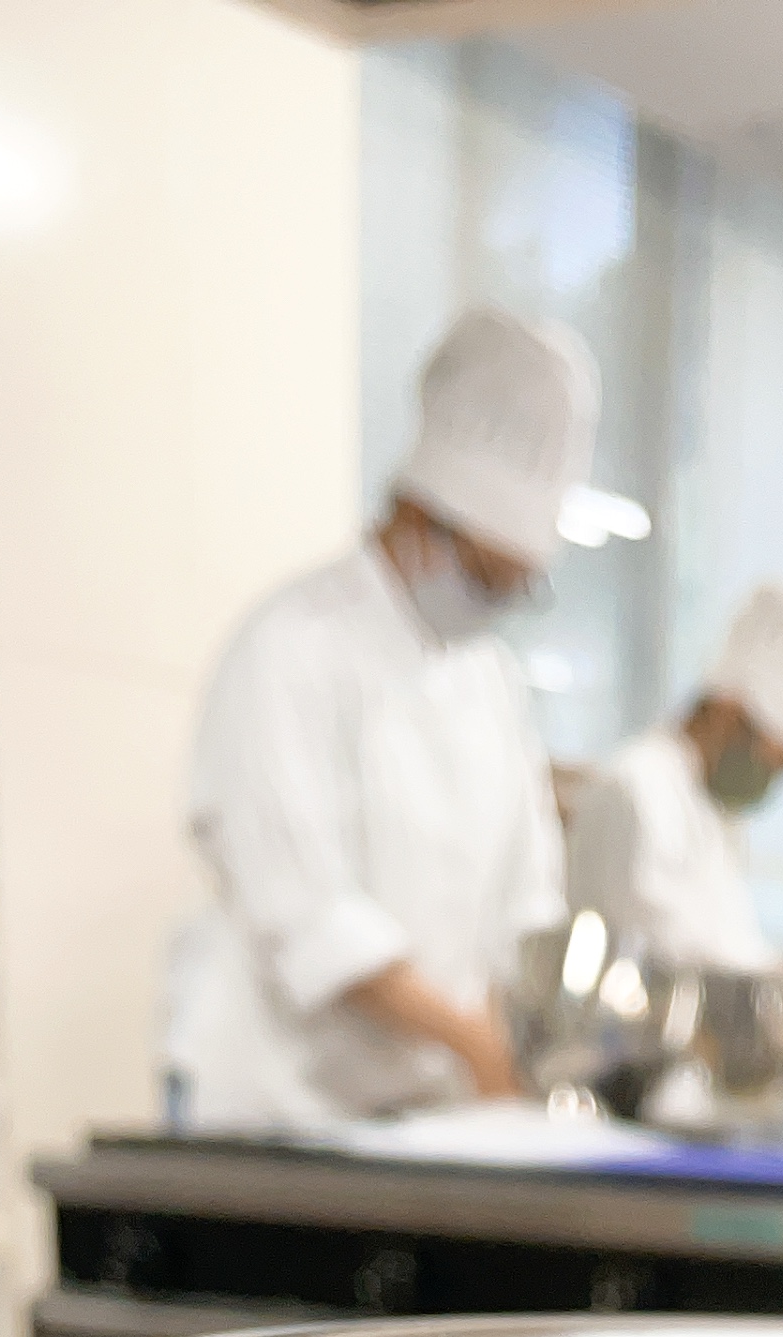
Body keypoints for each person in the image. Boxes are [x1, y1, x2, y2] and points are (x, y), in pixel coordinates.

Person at [165, 308, 600, 1134]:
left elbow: (523, 901)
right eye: (487, 578)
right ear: (421, 519)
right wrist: (471, 1044)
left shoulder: (490, 682)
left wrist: (511, 1043)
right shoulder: (291, 646)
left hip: (425, 1115)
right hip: (277, 1110)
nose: (493, 607)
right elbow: (303, 909)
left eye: (516, 589)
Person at [566, 584, 783, 970]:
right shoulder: (637, 788)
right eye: (773, 762)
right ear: (729, 712)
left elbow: (732, 947)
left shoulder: (706, 810)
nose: (769, 781)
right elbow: (669, 952)